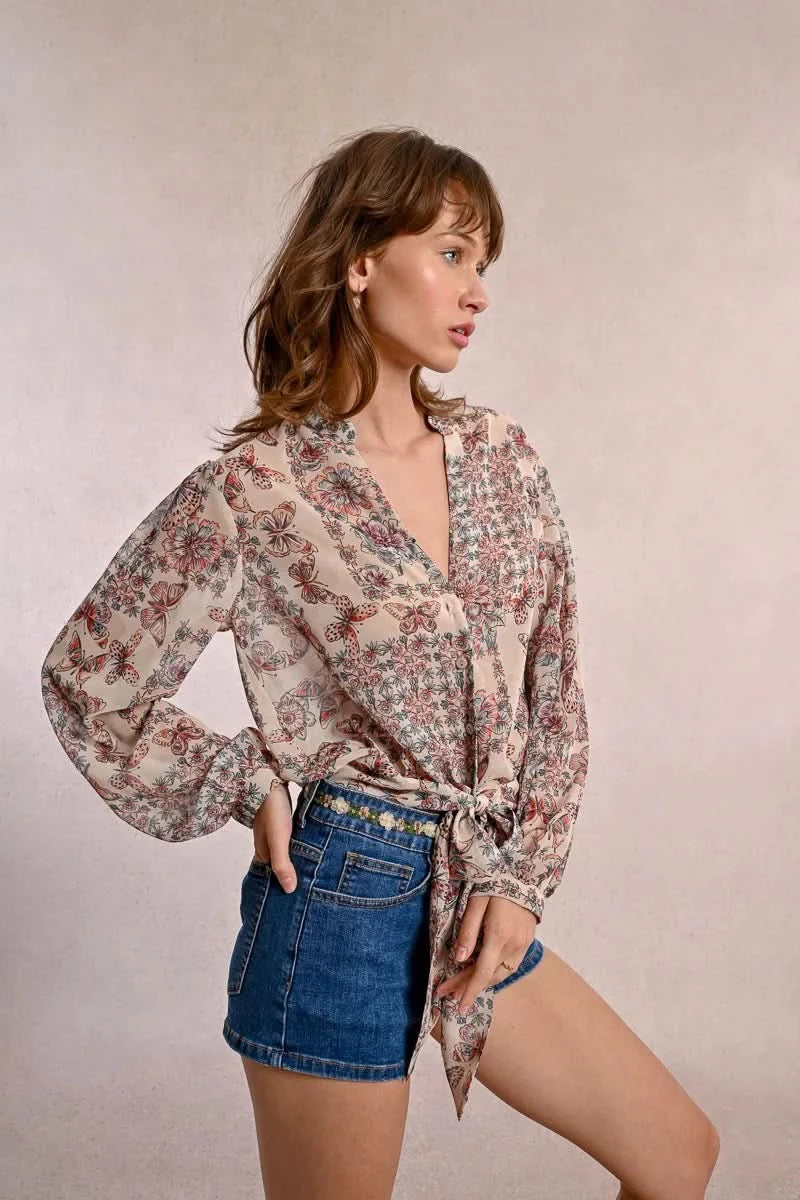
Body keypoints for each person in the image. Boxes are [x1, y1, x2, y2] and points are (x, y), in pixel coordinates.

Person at [40, 126, 719, 1200]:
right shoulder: (258, 490)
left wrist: (520, 879)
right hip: (332, 899)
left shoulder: (500, 460)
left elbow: (554, 692)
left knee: (676, 1154)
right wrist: (238, 777)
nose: (476, 291)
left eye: (482, 263)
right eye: (452, 252)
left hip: (469, 893)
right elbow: (89, 676)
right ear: (361, 261)